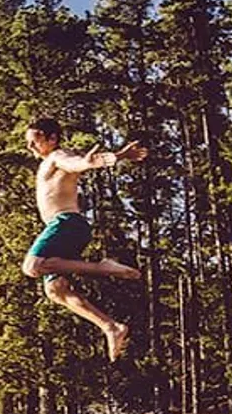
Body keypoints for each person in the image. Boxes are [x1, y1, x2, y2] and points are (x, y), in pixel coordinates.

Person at [21, 117, 147, 362]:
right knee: (56, 290)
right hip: (66, 228)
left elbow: (76, 163)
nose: (30, 147)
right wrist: (119, 156)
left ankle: (102, 267)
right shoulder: (48, 161)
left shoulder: (58, 156)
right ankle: (111, 327)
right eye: (28, 142)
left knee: (32, 266)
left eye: (35, 141)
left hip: (66, 223)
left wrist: (97, 161)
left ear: (52, 138)